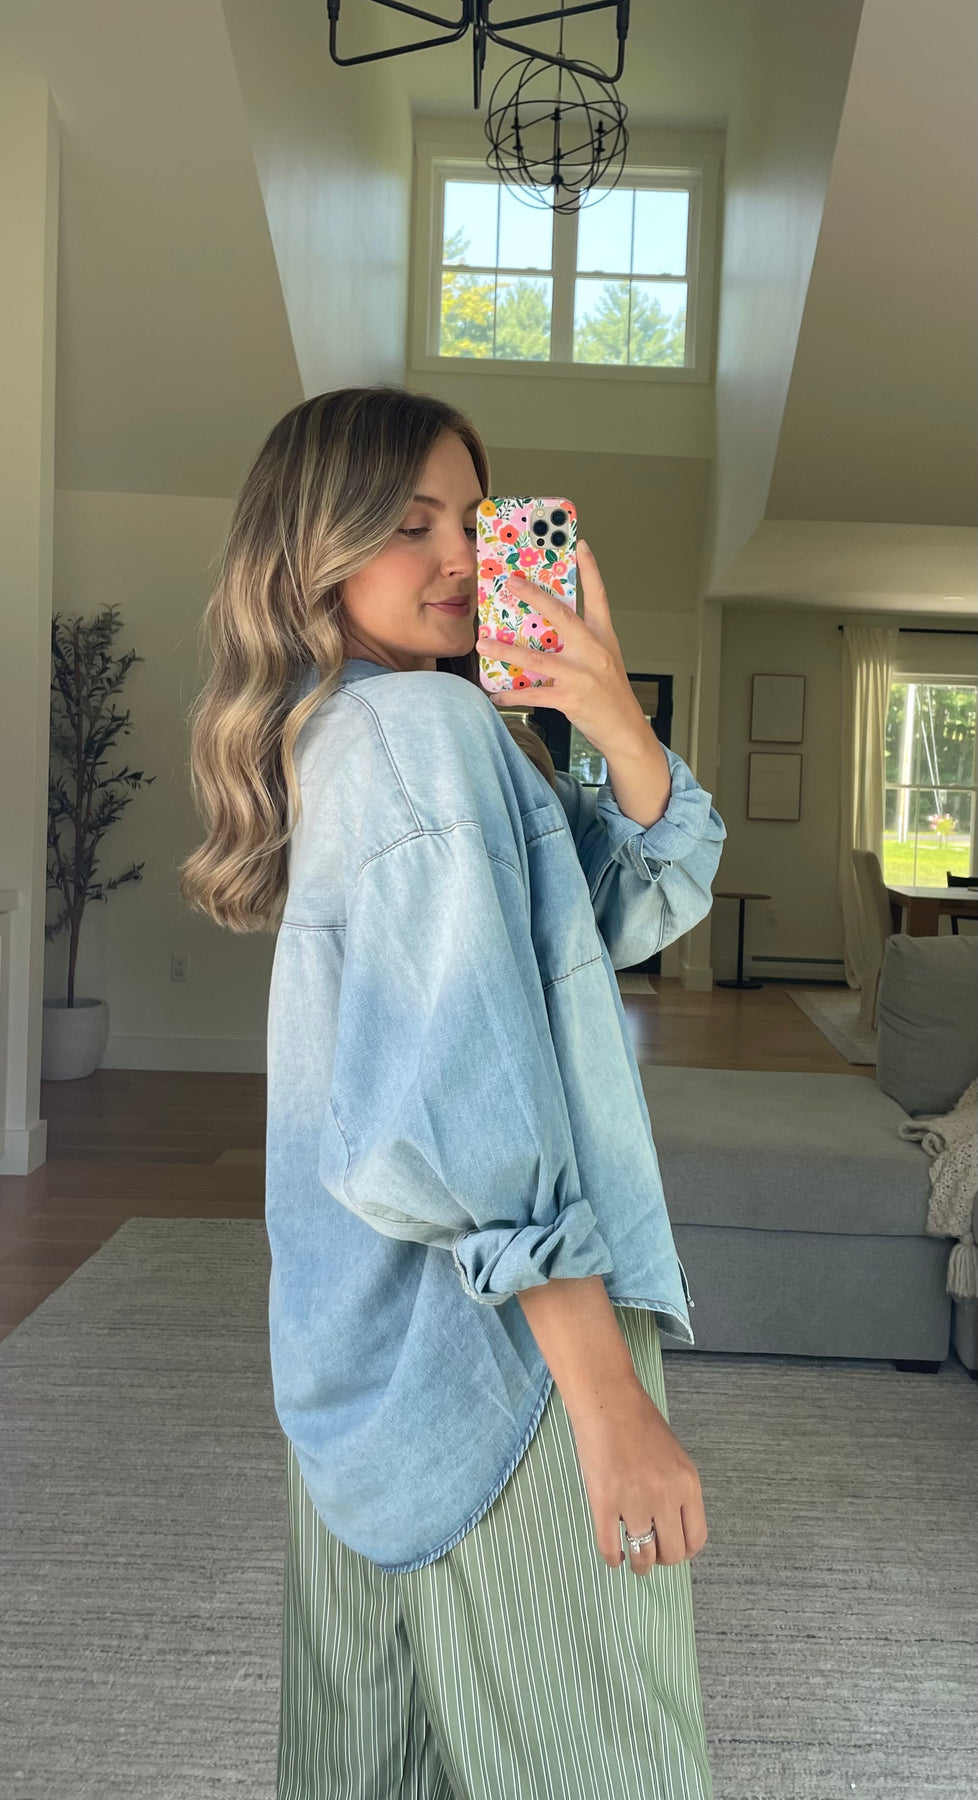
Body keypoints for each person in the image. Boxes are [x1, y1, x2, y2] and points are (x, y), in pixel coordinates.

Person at [180, 384, 727, 1800]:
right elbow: (466, 1097)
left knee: (373, 1759)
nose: (458, 559)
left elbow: (620, 910)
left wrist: (610, 715)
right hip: (504, 1363)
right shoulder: (416, 737)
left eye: (472, 523)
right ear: (313, 544)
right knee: (604, 1762)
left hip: (363, 1359)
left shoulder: (353, 732)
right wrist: (607, 1400)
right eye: (407, 523)